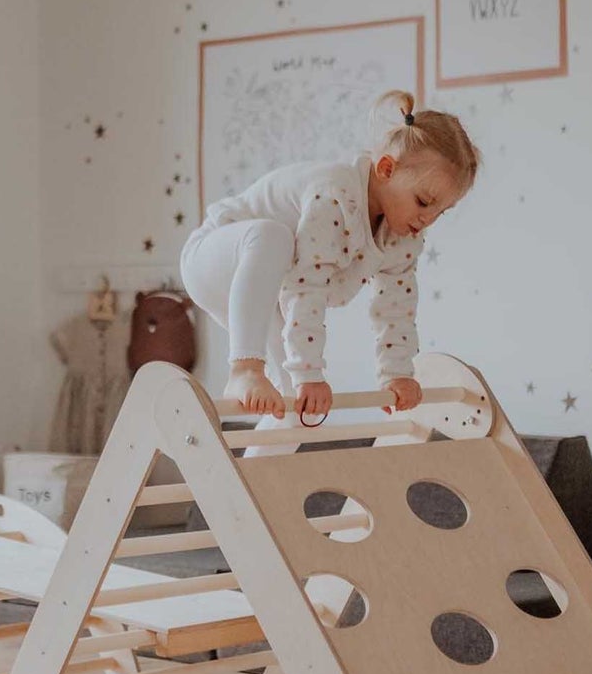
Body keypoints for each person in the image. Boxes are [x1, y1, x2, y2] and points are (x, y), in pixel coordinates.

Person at [180, 88, 481, 425]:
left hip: (269, 294)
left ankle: (248, 477)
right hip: (216, 261)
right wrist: (311, 374)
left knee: (296, 406)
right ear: (385, 169)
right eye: (424, 202)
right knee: (272, 236)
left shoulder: (402, 238)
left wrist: (396, 374)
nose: (428, 219)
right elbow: (306, 288)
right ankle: (244, 369)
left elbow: (396, 308)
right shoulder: (335, 197)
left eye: (442, 211)